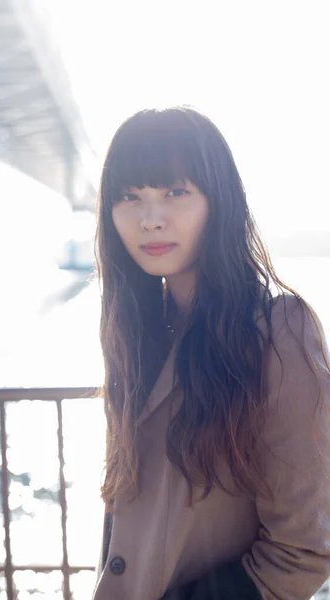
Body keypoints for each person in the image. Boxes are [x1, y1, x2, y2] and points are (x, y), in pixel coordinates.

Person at [90, 105, 330, 600]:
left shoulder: (276, 329)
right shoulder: (140, 330)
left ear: (218, 201)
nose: (150, 219)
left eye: (175, 192)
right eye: (129, 196)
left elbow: (306, 545)